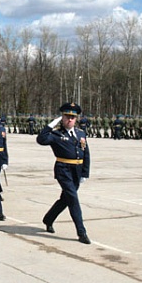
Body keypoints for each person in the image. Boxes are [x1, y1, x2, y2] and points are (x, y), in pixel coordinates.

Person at [37, 102, 91, 244]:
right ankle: (81, 232)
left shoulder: (80, 133)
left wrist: (85, 173)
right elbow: (41, 140)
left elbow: (86, 153)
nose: (70, 120)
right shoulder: (56, 134)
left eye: (73, 117)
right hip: (63, 170)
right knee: (73, 198)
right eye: (67, 117)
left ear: (76, 119)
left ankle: (48, 219)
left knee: (65, 199)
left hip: (77, 171)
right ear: (62, 118)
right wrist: (50, 125)